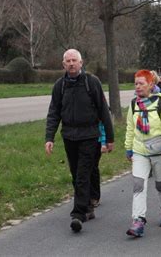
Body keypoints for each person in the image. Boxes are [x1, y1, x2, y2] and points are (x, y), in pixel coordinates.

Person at [45, 48, 114, 233]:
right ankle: (88, 207)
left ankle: (78, 214)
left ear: (81, 63)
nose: (71, 64)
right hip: (69, 136)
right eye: (68, 61)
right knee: (76, 174)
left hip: (90, 136)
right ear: (63, 64)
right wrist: (49, 138)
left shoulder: (92, 83)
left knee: (83, 174)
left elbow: (103, 111)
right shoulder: (59, 86)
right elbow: (54, 113)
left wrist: (109, 138)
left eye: (74, 60)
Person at [125, 69, 161, 238]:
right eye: (136, 84)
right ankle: (138, 220)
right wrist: (128, 147)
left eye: (141, 83)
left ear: (151, 84)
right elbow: (130, 128)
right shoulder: (134, 105)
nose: (138, 87)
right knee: (138, 185)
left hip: (160, 152)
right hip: (140, 152)